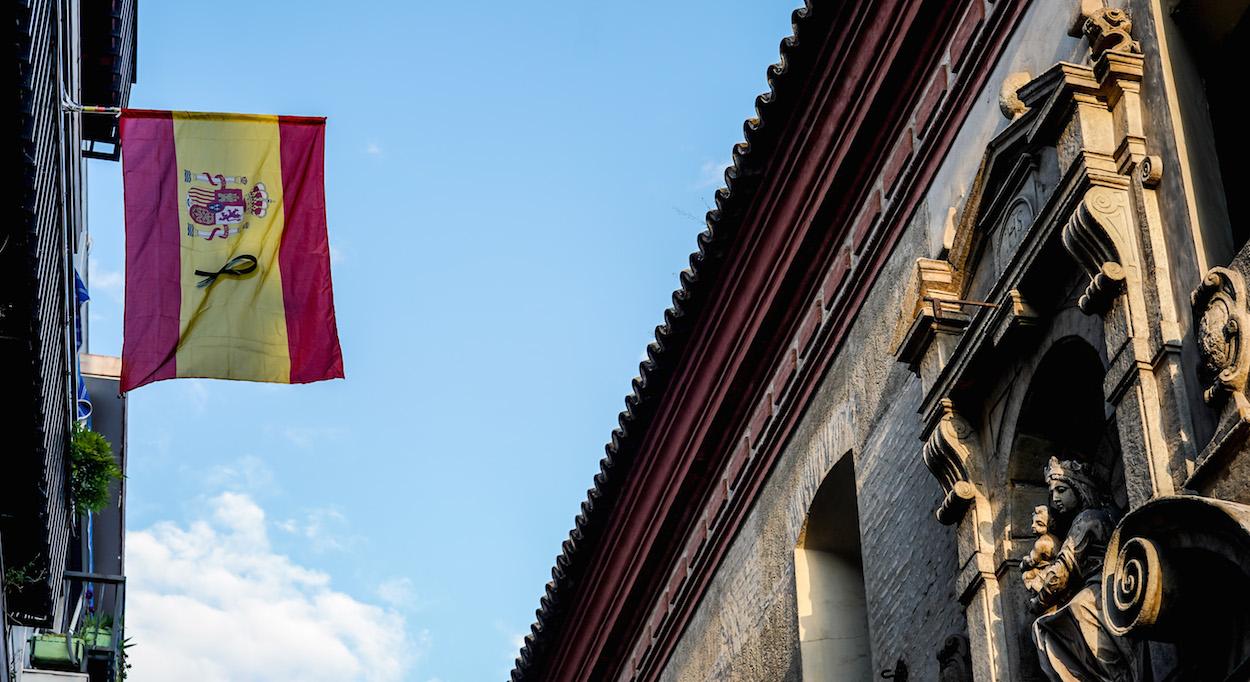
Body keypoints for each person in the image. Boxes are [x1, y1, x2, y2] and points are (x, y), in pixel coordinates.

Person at [1027, 457, 1133, 682]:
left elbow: (1063, 568)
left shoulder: (1086, 519)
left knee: (1076, 608)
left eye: (1062, 490)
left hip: (1103, 583)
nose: (1055, 498)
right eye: (1052, 492)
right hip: (1104, 583)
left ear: (1080, 489)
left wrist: (1038, 600)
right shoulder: (1086, 518)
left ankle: (1114, 673)